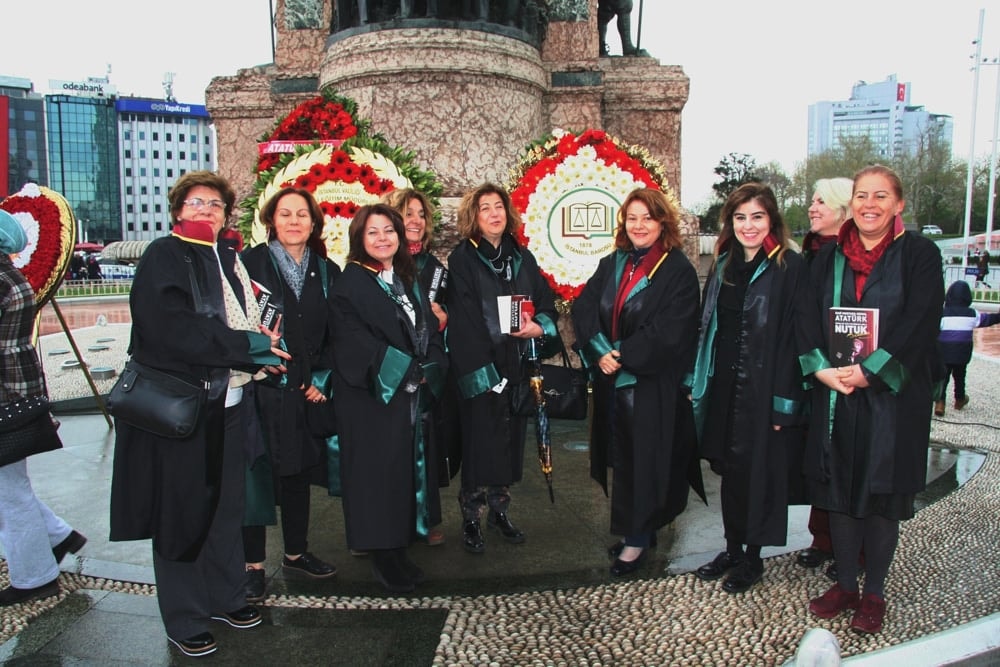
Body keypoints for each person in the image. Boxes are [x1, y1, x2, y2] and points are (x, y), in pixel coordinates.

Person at [109, 171, 290, 658]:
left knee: (227, 509)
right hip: (184, 411)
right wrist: (249, 347)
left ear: (227, 213)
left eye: (215, 203)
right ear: (177, 210)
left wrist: (264, 347)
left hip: (232, 404)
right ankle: (185, 616)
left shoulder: (228, 256)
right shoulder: (165, 255)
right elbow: (172, 329)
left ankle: (226, 597)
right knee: (182, 513)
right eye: (196, 202)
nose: (206, 210)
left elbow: (244, 320)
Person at [800, 165, 943, 634]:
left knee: (882, 493)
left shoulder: (919, 254)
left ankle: (875, 592)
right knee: (840, 492)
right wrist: (820, 367)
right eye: (862, 195)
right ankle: (845, 584)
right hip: (838, 391)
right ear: (852, 203)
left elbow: (920, 321)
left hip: (893, 398)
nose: (870, 204)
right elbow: (804, 315)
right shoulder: (828, 256)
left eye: (881, 196)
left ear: (898, 204)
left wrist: (871, 372)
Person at [571, 187, 701, 577]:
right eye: (632, 218)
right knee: (625, 459)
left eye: (647, 218)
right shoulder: (614, 262)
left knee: (645, 461)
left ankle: (637, 539)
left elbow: (671, 330)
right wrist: (599, 350)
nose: (639, 225)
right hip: (614, 380)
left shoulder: (677, 270)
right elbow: (585, 307)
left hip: (651, 383)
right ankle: (640, 528)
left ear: (662, 222)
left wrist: (623, 353)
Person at [690, 182, 807, 594]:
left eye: (757, 216)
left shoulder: (789, 267)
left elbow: (797, 338)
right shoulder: (724, 264)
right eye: (740, 217)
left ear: (771, 219)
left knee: (758, 476)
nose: (749, 226)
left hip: (764, 389)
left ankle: (752, 558)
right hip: (725, 387)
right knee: (730, 472)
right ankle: (732, 548)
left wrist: (784, 402)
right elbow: (708, 327)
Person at [329, 203, 448, 593]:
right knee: (375, 478)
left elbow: (427, 328)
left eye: (389, 231)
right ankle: (382, 556)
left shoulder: (402, 278)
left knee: (399, 473)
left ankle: (398, 549)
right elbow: (354, 341)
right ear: (359, 239)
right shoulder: (351, 284)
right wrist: (408, 370)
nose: (382, 238)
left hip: (406, 396)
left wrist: (431, 365)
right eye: (373, 232)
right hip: (370, 398)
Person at [446, 183, 559, 554]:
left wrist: (538, 326)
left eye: (498, 206)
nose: (494, 213)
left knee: (509, 443)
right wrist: (487, 373)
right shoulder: (463, 259)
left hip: (517, 365)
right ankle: (471, 516)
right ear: (473, 216)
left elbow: (545, 302)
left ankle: (499, 511)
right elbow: (464, 319)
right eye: (485, 208)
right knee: (479, 444)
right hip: (480, 369)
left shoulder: (522, 257)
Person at [240, 187, 341, 602]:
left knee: (298, 472)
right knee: (256, 475)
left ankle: (296, 553)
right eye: (285, 214)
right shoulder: (249, 265)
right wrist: (255, 355)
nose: (294, 221)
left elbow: (339, 332)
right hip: (259, 388)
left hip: (304, 389)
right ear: (271, 220)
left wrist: (323, 378)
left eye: (302, 214)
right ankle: (252, 565)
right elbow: (233, 322)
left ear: (314, 223)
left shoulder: (327, 271)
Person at [0, 209, 88, 607]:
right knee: (9, 486)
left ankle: (35, 577)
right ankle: (57, 536)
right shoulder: (10, 275)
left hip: (5, 397)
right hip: (14, 393)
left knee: (8, 494)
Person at [795, 177, 858, 581]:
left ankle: (851, 546)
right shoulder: (813, 253)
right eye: (812, 201)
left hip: (851, 374)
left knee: (847, 460)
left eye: (821, 202)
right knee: (820, 456)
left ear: (842, 209)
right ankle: (823, 538)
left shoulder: (854, 256)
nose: (812, 207)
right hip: (819, 372)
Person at [383, 187, 451, 547]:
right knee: (384, 451)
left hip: (424, 368)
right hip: (387, 369)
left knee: (423, 445)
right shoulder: (379, 261)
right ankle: (380, 524)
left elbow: (446, 316)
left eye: (421, 214)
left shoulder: (435, 269)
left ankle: (425, 520)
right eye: (408, 213)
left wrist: (444, 320)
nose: (416, 220)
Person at [933, 279, 1000, 416]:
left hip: (944, 352)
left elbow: (933, 329)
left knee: (943, 377)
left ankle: (940, 403)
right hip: (962, 353)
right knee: (960, 376)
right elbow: (988, 320)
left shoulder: (942, 313)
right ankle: (959, 399)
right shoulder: (972, 314)